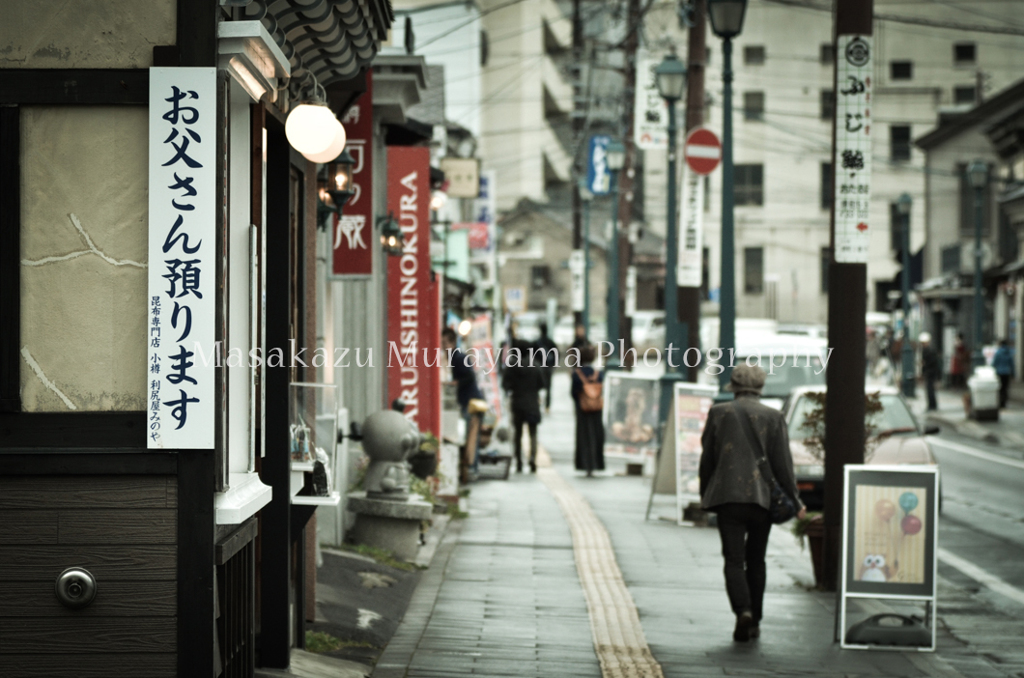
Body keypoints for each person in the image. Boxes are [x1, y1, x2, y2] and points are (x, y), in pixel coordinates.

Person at [699, 364, 806, 643]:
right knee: (756, 560)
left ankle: (742, 611)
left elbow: (707, 458)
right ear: (761, 387)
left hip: (728, 497)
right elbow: (783, 465)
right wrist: (795, 500)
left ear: (732, 387)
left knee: (733, 560)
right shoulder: (773, 416)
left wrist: (705, 493)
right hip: (762, 499)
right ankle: (755, 619)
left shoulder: (718, 413)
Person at [502, 340, 545, 472]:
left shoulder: (512, 366)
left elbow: (505, 385)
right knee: (533, 433)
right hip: (532, 402)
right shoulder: (535, 365)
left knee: (518, 433)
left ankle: (519, 461)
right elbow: (542, 383)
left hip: (517, 402)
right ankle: (532, 459)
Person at [570, 344, 604, 476]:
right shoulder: (599, 373)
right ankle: (596, 463)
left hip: (582, 409)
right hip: (596, 409)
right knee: (596, 435)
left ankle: (584, 463)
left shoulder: (577, 374)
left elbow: (573, 393)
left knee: (583, 436)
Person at [535, 322, 559, 414]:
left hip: (539, 367)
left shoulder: (537, 342)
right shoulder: (550, 342)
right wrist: (554, 365)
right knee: (548, 387)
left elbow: (533, 355)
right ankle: (547, 406)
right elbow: (556, 353)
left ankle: (538, 403)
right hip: (548, 367)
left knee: (537, 386)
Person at [920, 332, 940, 411]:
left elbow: (930, 362)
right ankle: (932, 405)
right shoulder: (927, 350)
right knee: (930, 389)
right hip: (930, 372)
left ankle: (932, 405)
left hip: (930, 372)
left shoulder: (928, 351)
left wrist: (924, 366)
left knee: (930, 389)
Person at [993, 339, 1015, 409]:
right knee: (1005, 388)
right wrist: (1013, 373)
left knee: (1000, 388)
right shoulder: (1008, 353)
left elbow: (994, 363)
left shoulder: (998, 353)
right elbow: (1012, 364)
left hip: (999, 373)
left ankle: (1000, 402)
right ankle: (1004, 402)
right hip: (1007, 372)